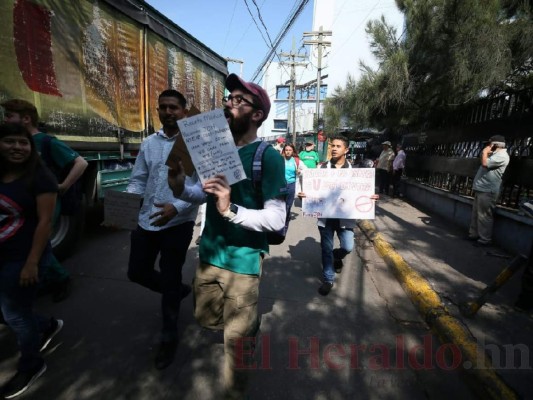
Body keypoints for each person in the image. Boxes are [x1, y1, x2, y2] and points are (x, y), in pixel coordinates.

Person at [167, 73, 286, 399]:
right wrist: (180, 185)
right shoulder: (216, 148)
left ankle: (235, 386)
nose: (227, 104)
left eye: (237, 100)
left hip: (243, 264)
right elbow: (202, 195)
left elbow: (277, 219)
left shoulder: (268, 157)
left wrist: (230, 209)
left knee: (235, 347)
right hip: (209, 258)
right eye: (227, 99)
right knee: (206, 321)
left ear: (257, 114)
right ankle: (247, 329)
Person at [125, 89, 198, 370]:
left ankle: (169, 337)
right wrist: (124, 207)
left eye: (174, 107)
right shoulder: (149, 143)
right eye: (163, 107)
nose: (168, 112)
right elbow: (138, 180)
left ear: (183, 110)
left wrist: (177, 207)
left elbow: (204, 187)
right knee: (136, 272)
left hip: (178, 223)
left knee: (169, 277)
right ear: (158, 111)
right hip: (146, 220)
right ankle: (177, 291)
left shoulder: (195, 142)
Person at [1, 99, 88, 302]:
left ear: (26, 119)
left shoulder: (46, 142)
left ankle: (59, 278)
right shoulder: (13, 142)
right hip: (23, 202)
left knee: (39, 241)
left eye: (9, 116)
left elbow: (81, 163)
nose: (5, 120)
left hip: (46, 200)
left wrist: (64, 185)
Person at [0, 123, 63, 399]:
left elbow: (45, 223)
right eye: (9, 141)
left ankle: (32, 364)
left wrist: (32, 263)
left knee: (16, 313)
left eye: (22, 142)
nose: (17, 147)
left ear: (31, 146)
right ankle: (47, 325)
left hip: (24, 256)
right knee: (7, 311)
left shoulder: (40, 178)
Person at [298, 136, 375, 296]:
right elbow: (312, 189)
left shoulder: (355, 173)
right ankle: (328, 279)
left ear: (346, 150)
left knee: (348, 246)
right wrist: (304, 195)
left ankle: (337, 257)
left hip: (345, 217)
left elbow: (361, 192)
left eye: (338, 146)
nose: (333, 148)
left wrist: (370, 197)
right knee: (326, 248)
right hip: (326, 217)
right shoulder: (321, 170)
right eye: (332, 145)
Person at [467, 135, 510, 247]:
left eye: (489, 144)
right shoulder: (495, 155)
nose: (487, 146)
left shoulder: (502, 156)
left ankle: (484, 240)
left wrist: (485, 152)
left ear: (494, 145)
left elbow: (485, 164)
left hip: (488, 191)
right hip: (481, 188)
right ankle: (473, 234)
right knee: (476, 214)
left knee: (484, 216)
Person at [282, 143, 306, 233]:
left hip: (291, 185)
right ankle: (280, 222)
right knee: (280, 204)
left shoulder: (296, 161)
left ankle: (285, 224)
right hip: (280, 185)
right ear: (284, 151)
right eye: (286, 150)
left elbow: (305, 170)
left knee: (288, 205)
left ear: (293, 151)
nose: (288, 152)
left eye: (290, 150)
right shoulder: (280, 160)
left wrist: (300, 172)